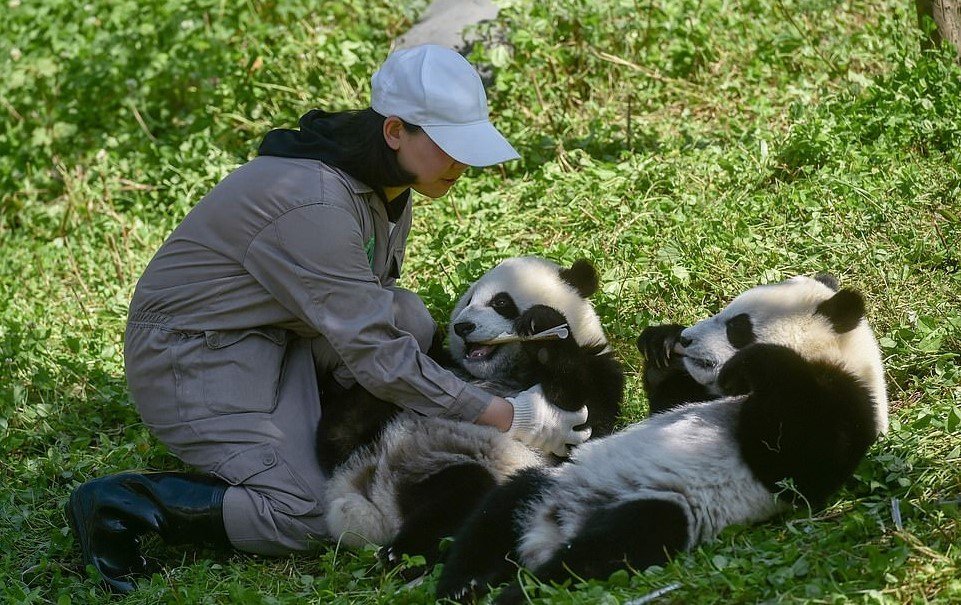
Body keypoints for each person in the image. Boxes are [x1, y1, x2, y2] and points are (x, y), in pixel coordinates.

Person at [66, 44, 591, 593]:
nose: (461, 163)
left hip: (274, 341)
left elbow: (377, 320)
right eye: (448, 145)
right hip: (195, 360)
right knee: (312, 511)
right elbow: (378, 357)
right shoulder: (315, 203)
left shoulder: (386, 184)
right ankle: (122, 503)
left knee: (406, 315)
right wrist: (508, 416)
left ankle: (331, 431)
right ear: (394, 132)